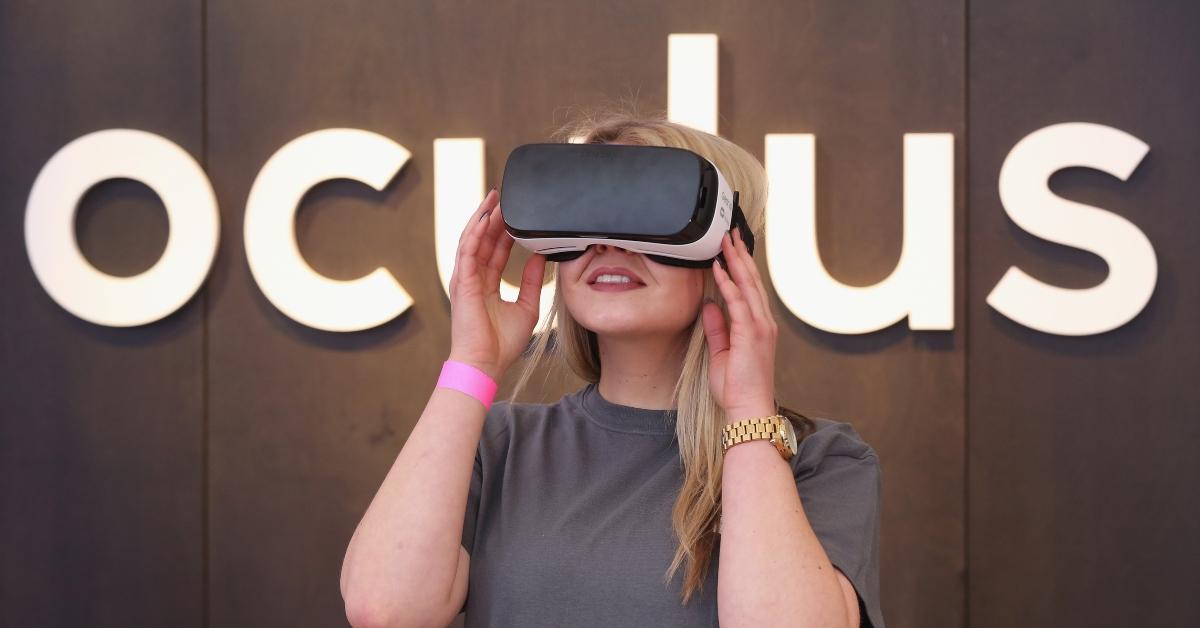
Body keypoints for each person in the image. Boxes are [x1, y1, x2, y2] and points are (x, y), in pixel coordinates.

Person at [340, 108, 885, 628]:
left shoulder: (814, 460)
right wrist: (472, 363)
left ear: (726, 247)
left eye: (648, 209)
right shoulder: (498, 446)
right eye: (585, 212)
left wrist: (747, 414)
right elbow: (385, 610)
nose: (606, 243)